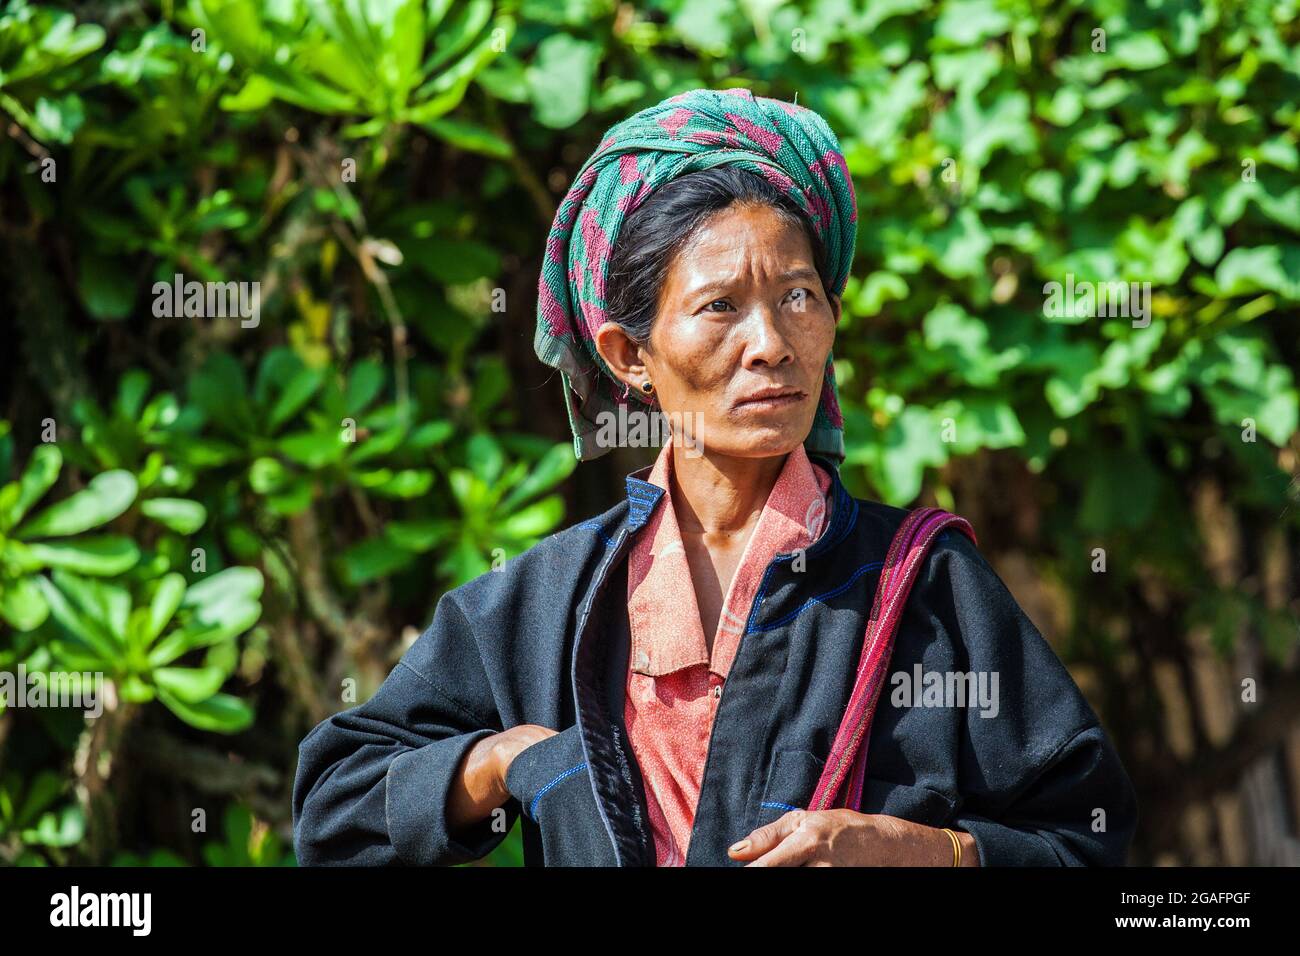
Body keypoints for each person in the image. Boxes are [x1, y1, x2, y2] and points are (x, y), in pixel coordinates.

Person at [291, 88, 1139, 867]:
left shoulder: (926, 585)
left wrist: (920, 851)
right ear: (630, 356)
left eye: (800, 296)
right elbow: (336, 808)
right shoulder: (548, 602)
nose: (772, 342)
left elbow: (1086, 838)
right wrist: (511, 762)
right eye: (720, 306)